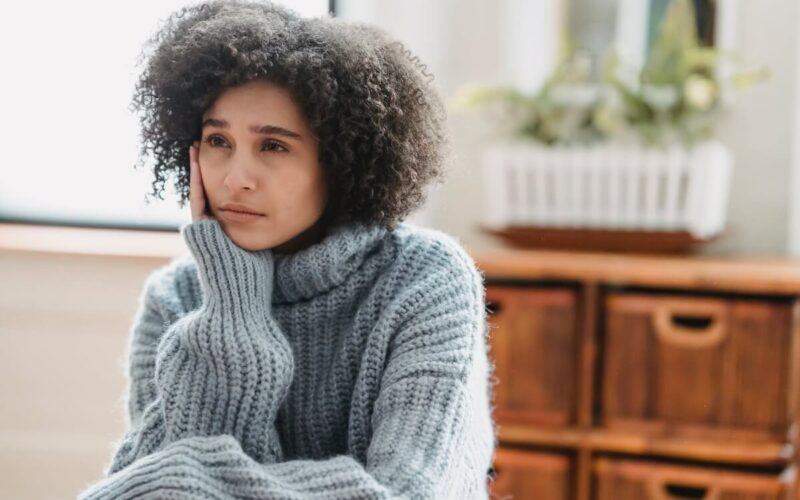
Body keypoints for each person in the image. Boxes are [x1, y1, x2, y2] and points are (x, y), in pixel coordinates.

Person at [78, 1, 497, 498]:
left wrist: (181, 474)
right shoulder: (175, 298)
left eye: (273, 146)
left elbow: (407, 493)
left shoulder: (425, 279)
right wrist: (232, 306)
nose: (235, 178)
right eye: (217, 140)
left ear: (342, 161)